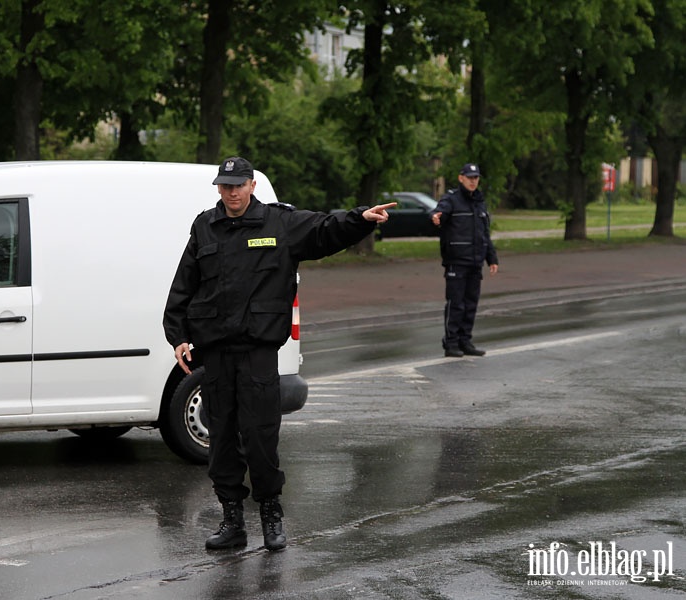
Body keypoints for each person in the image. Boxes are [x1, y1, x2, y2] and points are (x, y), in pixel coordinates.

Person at [163, 156, 394, 552]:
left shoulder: (279, 223)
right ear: (218, 188)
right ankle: (232, 520)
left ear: (252, 185)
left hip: (257, 352)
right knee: (221, 441)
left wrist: (360, 218)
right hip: (216, 353)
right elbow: (184, 285)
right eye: (225, 185)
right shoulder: (205, 227)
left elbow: (325, 230)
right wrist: (177, 335)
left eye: (238, 185)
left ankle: (271, 515)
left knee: (260, 437)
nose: (231, 192)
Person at [430, 162, 499, 357]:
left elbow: (484, 234)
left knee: (471, 304)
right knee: (456, 304)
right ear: (461, 178)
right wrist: (436, 217)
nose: (473, 181)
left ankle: (465, 341)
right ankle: (451, 343)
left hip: (475, 262)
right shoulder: (451, 199)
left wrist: (491, 258)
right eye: (469, 178)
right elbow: (438, 213)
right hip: (457, 260)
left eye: (476, 178)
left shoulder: (480, 202)